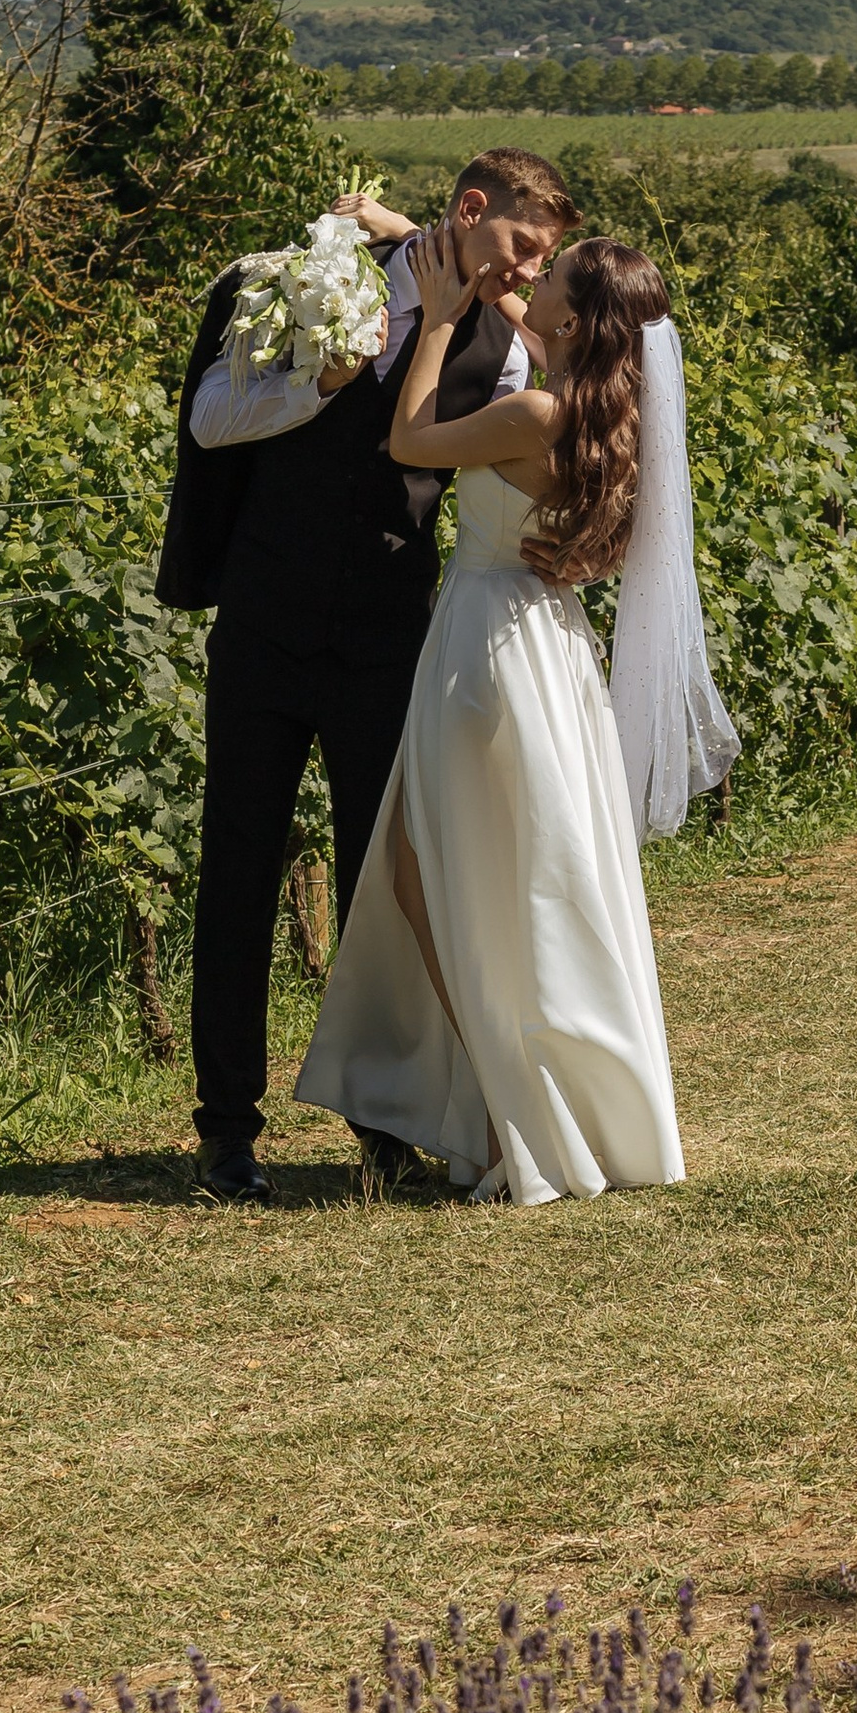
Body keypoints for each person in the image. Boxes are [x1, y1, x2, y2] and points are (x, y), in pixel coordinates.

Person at [156, 148, 578, 1203]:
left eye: (543, 258)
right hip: (264, 624)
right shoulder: (301, 281)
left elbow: (569, 376)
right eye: (523, 246)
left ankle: (384, 1126)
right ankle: (225, 1131)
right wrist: (320, 383)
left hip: (392, 640)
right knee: (239, 869)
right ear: (471, 211)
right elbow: (210, 420)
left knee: (379, 887)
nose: (529, 271)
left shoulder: (504, 352)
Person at [298, 228, 738, 1204]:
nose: (532, 280)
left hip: (484, 648)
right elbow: (531, 321)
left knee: (442, 877)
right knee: (517, 876)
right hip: (550, 643)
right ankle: (530, 1105)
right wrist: (434, 248)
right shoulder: (600, 413)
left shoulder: (531, 413)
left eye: (553, 277)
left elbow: (411, 440)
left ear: (572, 322)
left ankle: (511, 1119)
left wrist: (435, 322)